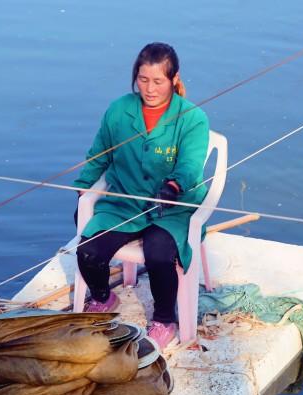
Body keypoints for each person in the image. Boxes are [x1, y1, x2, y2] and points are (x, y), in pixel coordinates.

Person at [73, 42, 210, 349]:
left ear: (174, 79)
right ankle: (102, 298)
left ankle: (164, 320)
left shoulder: (193, 118)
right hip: (124, 202)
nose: (150, 89)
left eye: (158, 81)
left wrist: (173, 186)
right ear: (135, 77)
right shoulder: (119, 110)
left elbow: (190, 165)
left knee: (159, 253)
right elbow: (100, 155)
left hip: (172, 207)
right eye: (143, 80)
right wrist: (83, 188)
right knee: (88, 252)